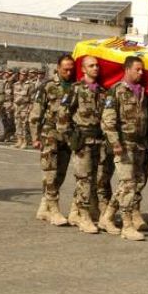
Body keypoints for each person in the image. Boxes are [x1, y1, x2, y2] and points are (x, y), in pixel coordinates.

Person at [101, 55, 148, 241]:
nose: (141, 73)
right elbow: (108, 119)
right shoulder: (116, 91)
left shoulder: (143, 92)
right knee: (128, 184)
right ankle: (127, 224)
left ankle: (106, 217)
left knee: (132, 184)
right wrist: (115, 142)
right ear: (127, 69)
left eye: (142, 70)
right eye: (137, 69)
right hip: (123, 145)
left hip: (139, 145)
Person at [57, 56, 105, 234]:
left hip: (97, 141)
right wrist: (70, 139)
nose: (96, 68)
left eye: (97, 66)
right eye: (91, 66)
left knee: (92, 180)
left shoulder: (101, 90)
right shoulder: (76, 89)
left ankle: (75, 211)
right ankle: (84, 216)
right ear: (83, 69)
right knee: (84, 179)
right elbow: (63, 115)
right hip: (82, 141)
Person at [28, 54, 74, 226]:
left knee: (60, 174)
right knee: (50, 173)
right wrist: (34, 137)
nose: (69, 72)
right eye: (65, 69)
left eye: (71, 69)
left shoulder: (75, 87)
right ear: (58, 68)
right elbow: (35, 113)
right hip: (50, 134)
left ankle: (44, 206)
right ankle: (53, 210)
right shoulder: (47, 86)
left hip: (67, 136)